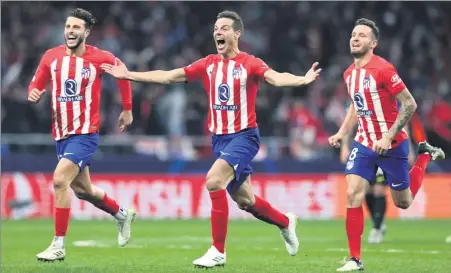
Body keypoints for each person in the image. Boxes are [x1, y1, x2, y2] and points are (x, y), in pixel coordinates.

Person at [101, 10, 321, 268]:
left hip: (244, 137)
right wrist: (130, 76)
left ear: (237, 34)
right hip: (220, 141)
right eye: (216, 28)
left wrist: (301, 80)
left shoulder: (249, 63)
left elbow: (275, 78)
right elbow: (171, 75)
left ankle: (218, 251)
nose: (218, 32)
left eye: (225, 28)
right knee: (246, 201)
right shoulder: (208, 64)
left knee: (214, 181)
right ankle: (285, 222)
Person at [328, 18, 445, 272]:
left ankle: (424, 155)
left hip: (392, 143)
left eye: (361, 35)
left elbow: (410, 103)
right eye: (353, 34)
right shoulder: (349, 74)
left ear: (373, 43)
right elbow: (355, 107)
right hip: (365, 142)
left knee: (403, 202)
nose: (355, 38)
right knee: (353, 192)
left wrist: (389, 136)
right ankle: (355, 259)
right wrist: (341, 133)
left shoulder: (384, 69)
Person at [28, 8, 136, 262]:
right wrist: (33, 92)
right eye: (68, 27)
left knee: (59, 180)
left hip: (85, 133)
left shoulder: (99, 57)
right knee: (83, 189)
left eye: (76, 28)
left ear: (86, 32)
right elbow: (37, 82)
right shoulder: (51, 57)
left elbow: (123, 74)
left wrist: (128, 109)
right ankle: (121, 214)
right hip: (61, 134)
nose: (71, 31)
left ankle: (58, 245)